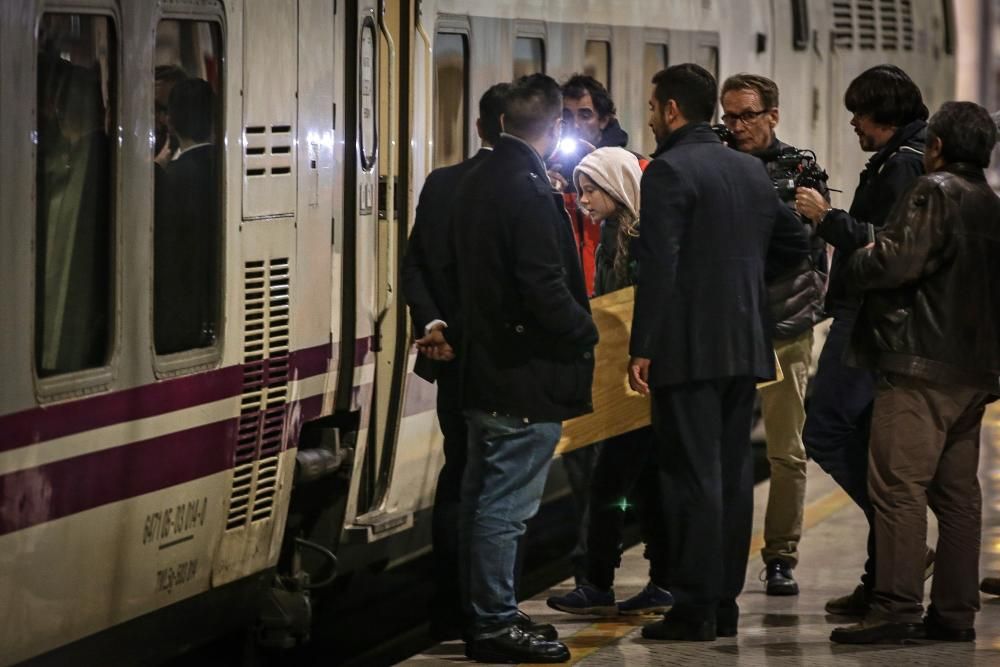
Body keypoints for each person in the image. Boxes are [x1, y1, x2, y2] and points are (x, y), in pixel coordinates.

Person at [628, 63, 809, 642]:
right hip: (744, 343)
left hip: (687, 347)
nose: (652, 117)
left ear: (673, 110)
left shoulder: (668, 171)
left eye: (654, 107)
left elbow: (659, 265)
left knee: (689, 477)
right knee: (731, 475)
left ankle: (694, 608)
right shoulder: (748, 170)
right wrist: (744, 285)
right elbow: (794, 241)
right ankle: (724, 604)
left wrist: (643, 346)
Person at [829, 101, 1000, 644]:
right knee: (957, 497)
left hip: (920, 363)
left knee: (898, 488)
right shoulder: (991, 203)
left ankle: (896, 608)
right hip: (972, 370)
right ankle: (954, 613)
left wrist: (856, 260)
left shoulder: (934, 191)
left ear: (938, 148)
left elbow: (895, 262)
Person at [449, 73, 598, 663]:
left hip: (483, 368)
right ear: (556, 126)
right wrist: (585, 330)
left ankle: (492, 613)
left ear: (501, 123)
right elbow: (542, 285)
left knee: (484, 498)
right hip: (525, 374)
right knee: (506, 507)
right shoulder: (530, 190)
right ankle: (493, 624)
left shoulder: (473, 181)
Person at [794, 64, 929, 616]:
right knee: (871, 448)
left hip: (871, 319)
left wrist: (828, 219)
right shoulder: (906, 159)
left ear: (887, 117)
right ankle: (885, 573)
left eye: (860, 114)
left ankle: (900, 544)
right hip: (877, 321)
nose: (852, 123)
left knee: (824, 430)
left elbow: (888, 250)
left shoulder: (903, 167)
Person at [400, 82, 510, 640]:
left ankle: (449, 605)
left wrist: (435, 325)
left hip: (452, 362)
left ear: (480, 127)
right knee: (499, 491)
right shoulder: (529, 185)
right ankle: (488, 612)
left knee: (460, 475)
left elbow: (415, 266)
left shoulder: (443, 183)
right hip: (509, 367)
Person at [545, 148, 672, 617]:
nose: (582, 200)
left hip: (640, 379)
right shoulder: (614, 235)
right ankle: (661, 581)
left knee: (611, 484)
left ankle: (598, 581)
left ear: (617, 187)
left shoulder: (639, 237)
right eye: (579, 190)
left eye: (591, 189)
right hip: (631, 378)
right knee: (646, 485)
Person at [720, 73, 828, 596]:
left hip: (784, 327)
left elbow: (801, 240)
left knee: (785, 451)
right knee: (717, 450)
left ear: (773, 115)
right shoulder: (715, 157)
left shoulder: (800, 168)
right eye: (729, 115)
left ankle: (781, 556)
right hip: (726, 329)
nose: (736, 126)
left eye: (747, 115)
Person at [154, 78, 218, 354]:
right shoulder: (227, 171)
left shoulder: (170, 178)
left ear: (172, 123)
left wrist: (158, 163)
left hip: (179, 321)